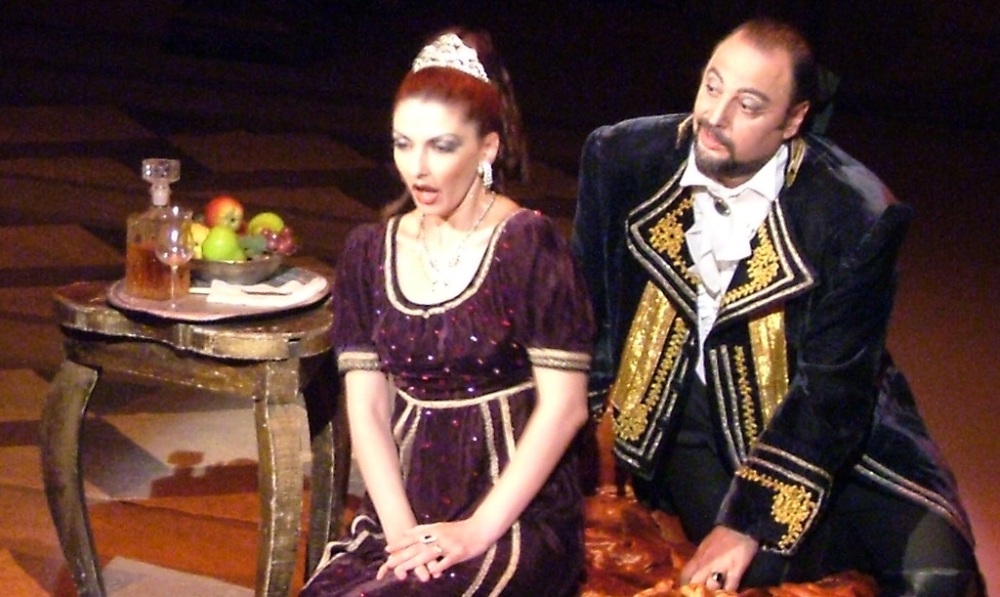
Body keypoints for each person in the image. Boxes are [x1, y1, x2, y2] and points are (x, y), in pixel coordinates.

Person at [571, 17, 984, 597]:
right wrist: (586, 434)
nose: (715, 116)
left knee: (941, 575)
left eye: (748, 105)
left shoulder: (855, 210)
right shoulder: (622, 157)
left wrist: (750, 521)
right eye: (712, 86)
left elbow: (835, 387)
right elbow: (583, 314)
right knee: (747, 577)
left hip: (831, 423)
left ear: (793, 121)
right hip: (683, 416)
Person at [301, 28, 595, 597]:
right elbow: (367, 407)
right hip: (406, 500)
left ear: (487, 149)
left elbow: (566, 409)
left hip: (510, 506)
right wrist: (400, 536)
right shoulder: (369, 251)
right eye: (403, 144)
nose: (418, 169)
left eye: (441, 146)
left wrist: (476, 531)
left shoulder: (527, 246)